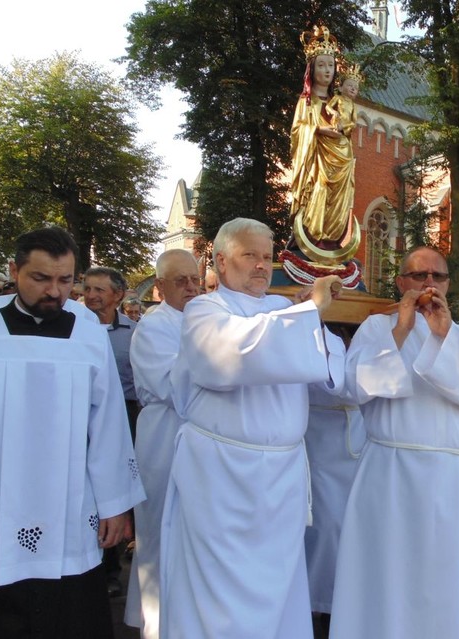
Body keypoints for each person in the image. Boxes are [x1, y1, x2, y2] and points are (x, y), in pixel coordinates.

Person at [0, 227, 144, 638]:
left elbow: (109, 429)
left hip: (68, 511)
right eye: (41, 278)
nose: (54, 291)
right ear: (14, 271)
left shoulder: (89, 339)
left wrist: (116, 504)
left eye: (65, 280)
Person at [161, 218, 346, 639]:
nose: (262, 265)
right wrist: (308, 311)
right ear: (222, 262)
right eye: (250, 255)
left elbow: (331, 376)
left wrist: (305, 316)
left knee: (278, 583)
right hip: (221, 474)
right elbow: (232, 354)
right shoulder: (204, 309)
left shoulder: (282, 310)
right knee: (218, 589)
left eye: (267, 256)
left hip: (281, 477)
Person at [329, 247, 459, 639]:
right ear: (401, 283)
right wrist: (402, 331)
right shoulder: (378, 329)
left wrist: (444, 336)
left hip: (447, 478)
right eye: (419, 276)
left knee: (441, 577)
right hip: (389, 472)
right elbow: (354, 385)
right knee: (384, 573)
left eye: (438, 277)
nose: (429, 283)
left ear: (448, 285)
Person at [124, 249, 201, 639]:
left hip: (197, 441)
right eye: (180, 281)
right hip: (164, 437)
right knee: (158, 534)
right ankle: (155, 625)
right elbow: (173, 385)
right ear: (159, 288)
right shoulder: (155, 326)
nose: (191, 287)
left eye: (194, 279)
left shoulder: (202, 319)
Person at [303, 324, 365, 633]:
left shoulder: (368, 333)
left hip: (356, 435)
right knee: (324, 527)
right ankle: (315, 605)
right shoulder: (310, 332)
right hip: (319, 439)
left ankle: (339, 610)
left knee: (349, 529)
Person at [84, 266, 138, 597]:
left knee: (114, 490)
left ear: (117, 295)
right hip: (78, 420)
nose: (90, 296)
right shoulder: (72, 328)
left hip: (124, 417)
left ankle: (111, 567)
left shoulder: (134, 333)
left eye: (99, 290)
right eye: (87, 289)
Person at [289, 26, 358, 260]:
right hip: (316, 163)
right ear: (312, 69)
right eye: (321, 65)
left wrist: (342, 132)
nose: (327, 70)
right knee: (318, 192)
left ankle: (332, 242)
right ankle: (312, 239)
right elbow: (298, 132)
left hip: (340, 162)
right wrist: (318, 130)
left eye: (330, 65)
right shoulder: (306, 102)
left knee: (338, 201)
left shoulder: (340, 101)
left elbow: (348, 127)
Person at [325, 65, 361, 139]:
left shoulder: (353, 105)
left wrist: (344, 126)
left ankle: (341, 129)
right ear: (340, 88)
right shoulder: (338, 98)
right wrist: (333, 112)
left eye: (355, 88)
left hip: (345, 128)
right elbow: (328, 107)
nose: (353, 88)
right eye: (350, 85)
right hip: (336, 121)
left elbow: (354, 122)